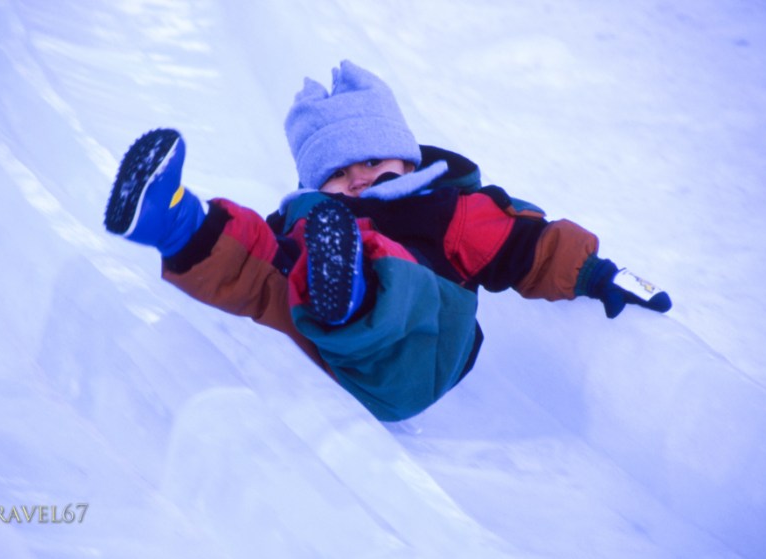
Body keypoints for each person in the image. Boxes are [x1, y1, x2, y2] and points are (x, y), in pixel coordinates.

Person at [103, 60, 671, 421]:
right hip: (324, 351)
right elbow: (257, 270)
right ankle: (175, 221)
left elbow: (527, 246)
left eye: (372, 161)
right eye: (337, 174)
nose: (358, 178)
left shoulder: (446, 207)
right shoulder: (311, 217)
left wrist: (597, 274)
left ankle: (349, 289)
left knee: (385, 269)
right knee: (267, 261)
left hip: (420, 348)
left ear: (406, 155)